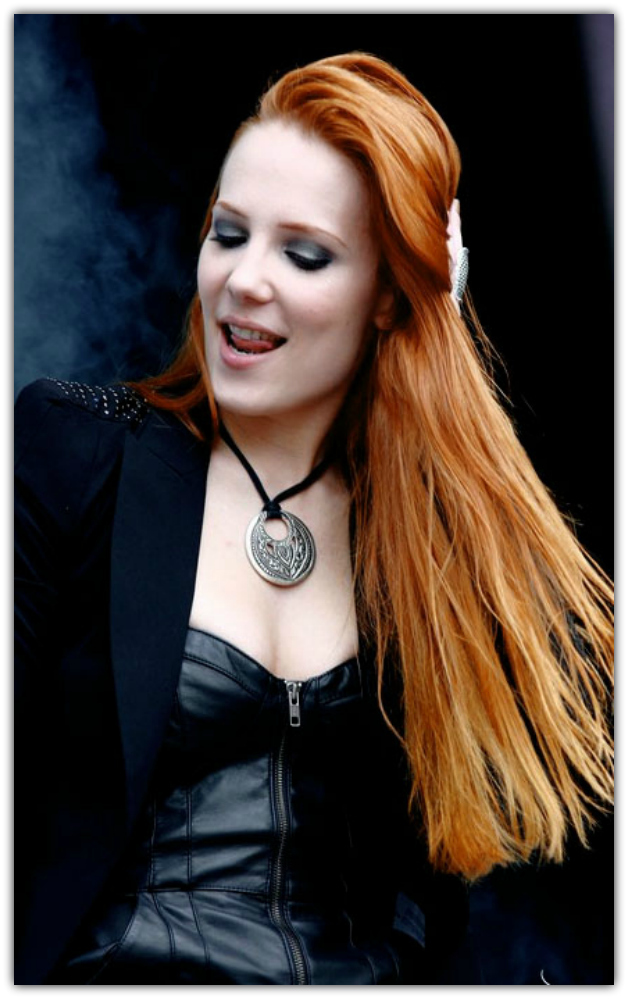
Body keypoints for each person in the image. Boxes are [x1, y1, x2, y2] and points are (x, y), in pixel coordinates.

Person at [14, 52, 613, 985]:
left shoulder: (427, 537)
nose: (244, 280)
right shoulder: (79, 448)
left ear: (389, 296)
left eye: (304, 254)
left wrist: (443, 307)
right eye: (229, 234)